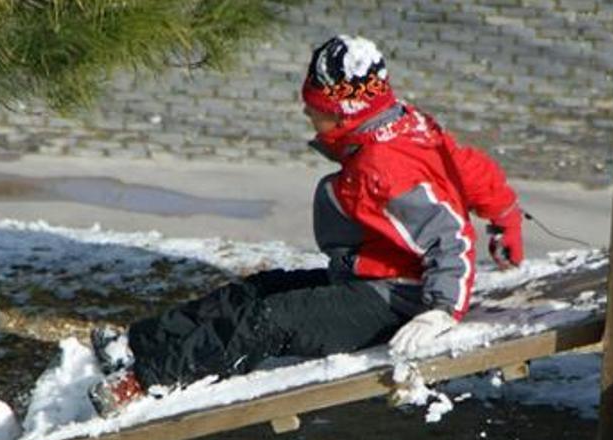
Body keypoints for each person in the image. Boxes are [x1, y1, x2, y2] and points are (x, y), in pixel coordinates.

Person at [88, 35, 524, 416]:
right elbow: (466, 166)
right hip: (368, 275)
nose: (306, 113)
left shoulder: (383, 165)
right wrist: (504, 217)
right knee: (257, 290)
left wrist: (442, 311)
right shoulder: (402, 122)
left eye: (315, 107)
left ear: (344, 111)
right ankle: (140, 345)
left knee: (267, 320)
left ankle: (148, 383)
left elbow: (450, 236)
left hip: (398, 302)